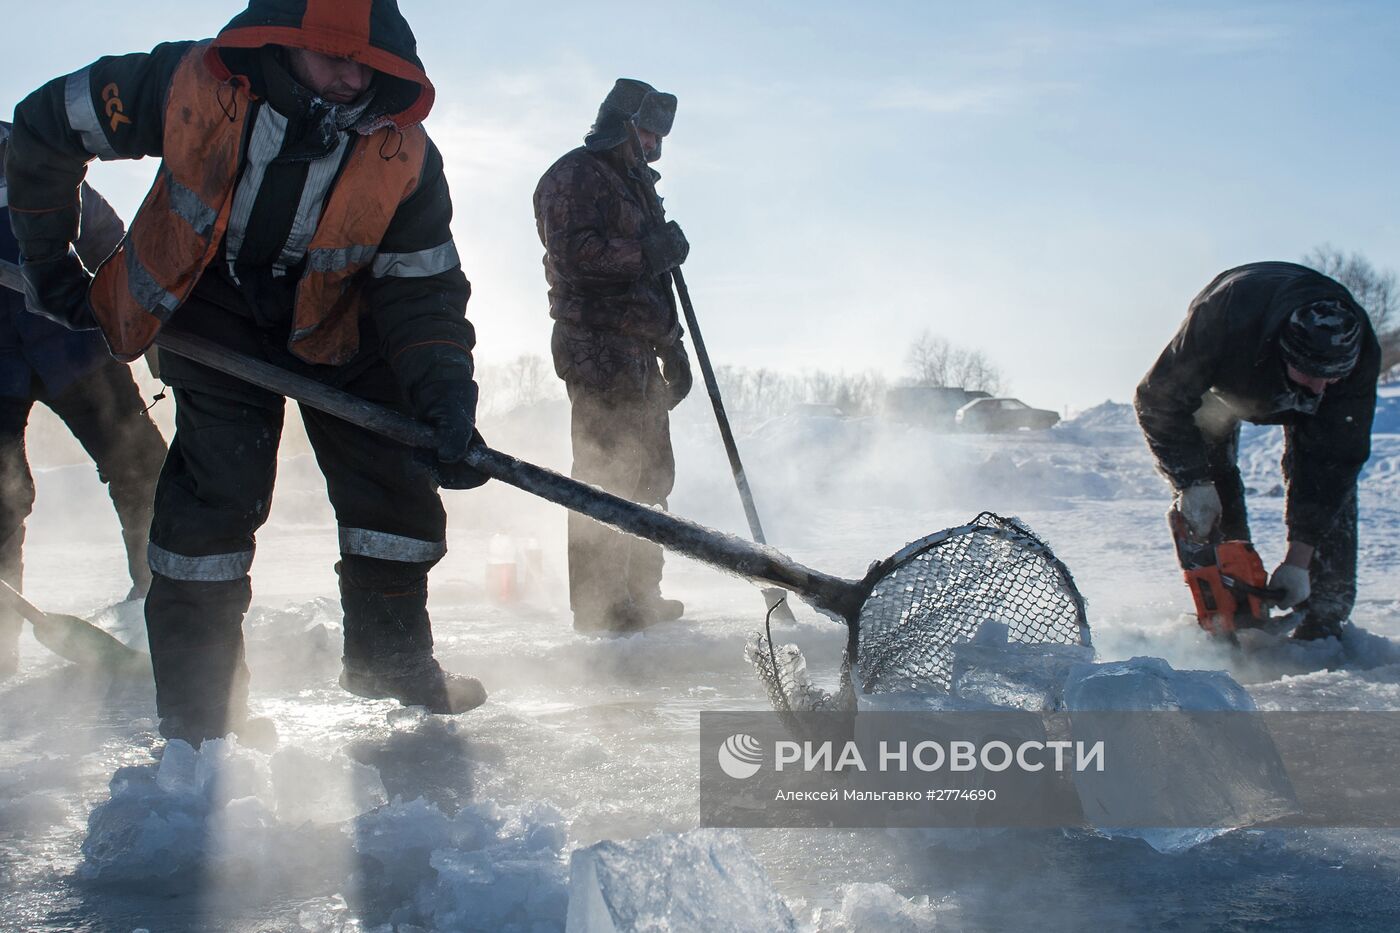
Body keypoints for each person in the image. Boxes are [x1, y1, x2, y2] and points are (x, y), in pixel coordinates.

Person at [5, 0, 489, 745]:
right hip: (211, 305)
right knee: (217, 494)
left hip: (339, 322)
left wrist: (446, 396)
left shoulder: (405, 156)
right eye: (330, 52)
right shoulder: (190, 82)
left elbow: (422, 288)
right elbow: (48, 122)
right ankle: (205, 710)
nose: (350, 73)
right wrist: (47, 260)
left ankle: (390, 658)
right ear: (283, 40)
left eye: (367, 59)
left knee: (393, 482)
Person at [1135, 261, 1380, 641]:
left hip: (1299, 391)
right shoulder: (1223, 318)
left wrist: (1300, 558)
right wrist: (1191, 482)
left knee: (1330, 483)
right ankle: (1234, 611)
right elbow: (1158, 400)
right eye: (1309, 374)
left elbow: (1335, 460)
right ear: (1285, 352)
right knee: (1211, 492)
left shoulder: (1356, 355)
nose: (1318, 388)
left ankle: (1324, 617)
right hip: (1224, 390)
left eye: (1330, 377)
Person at [0, 122, 167, 678]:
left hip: (75, 346)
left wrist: (146, 325)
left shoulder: (42, 167)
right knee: (1, 499)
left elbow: (113, 247)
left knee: (141, 469)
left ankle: (166, 611)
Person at [533, 79, 694, 633]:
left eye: (659, 135)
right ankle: (602, 606)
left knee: (650, 474)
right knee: (606, 474)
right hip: (596, 347)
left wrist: (672, 346)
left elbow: (652, 285)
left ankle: (641, 593)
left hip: (639, 349)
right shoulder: (576, 176)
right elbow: (577, 257)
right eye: (648, 130)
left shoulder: (636, 187)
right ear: (623, 124)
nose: (654, 144)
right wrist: (650, 250)